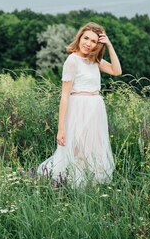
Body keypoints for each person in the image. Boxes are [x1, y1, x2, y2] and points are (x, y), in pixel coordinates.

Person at [38, 22, 122, 186]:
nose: (88, 43)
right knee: (77, 149)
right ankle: (69, 184)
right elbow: (64, 96)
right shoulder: (72, 60)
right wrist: (61, 128)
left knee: (93, 149)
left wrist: (110, 45)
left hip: (95, 109)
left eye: (93, 41)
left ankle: (89, 184)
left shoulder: (95, 60)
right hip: (78, 108)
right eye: (86, 38)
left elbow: (116, 71)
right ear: (80, 37)